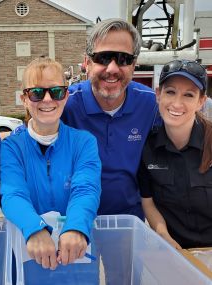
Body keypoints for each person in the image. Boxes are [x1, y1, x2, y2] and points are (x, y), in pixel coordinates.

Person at [61, 18, 157, 285]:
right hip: (76, 222)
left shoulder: (148, 104)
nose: (113, 69)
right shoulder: (66, 105)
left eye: (123, 59)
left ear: (134, 65)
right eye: (103, 57)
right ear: (87, 62)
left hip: (127, 223)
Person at [0, 57, 101, 276]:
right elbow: (12, 193)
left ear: (65, 96)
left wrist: (75, 227)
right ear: (24, 99)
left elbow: (86, 188)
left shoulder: (84, 142)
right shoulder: (11, 147)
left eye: (56, 92)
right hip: (30, 254)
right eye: (37, 93)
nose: (47, 100)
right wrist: (34, 228)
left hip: (76, 254)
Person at [138, 59, 212, 249]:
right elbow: (148, 202)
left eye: (189, 95)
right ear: (158, 95)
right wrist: (163, 234)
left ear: (201, 101)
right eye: (170, 92)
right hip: (173, 253)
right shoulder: (147, 148)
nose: (177, 103)